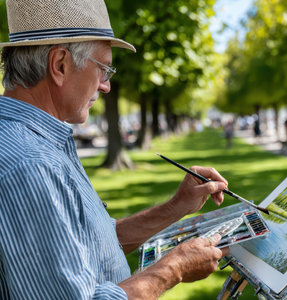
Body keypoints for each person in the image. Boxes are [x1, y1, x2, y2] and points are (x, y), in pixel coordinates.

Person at [0, 0, 229, 299]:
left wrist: (177, 207)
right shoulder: (31, 164)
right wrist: (174, 268)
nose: (106, 86)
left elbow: (95, 244)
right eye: (104, 69)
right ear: (60, 65)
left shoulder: (40, 143)